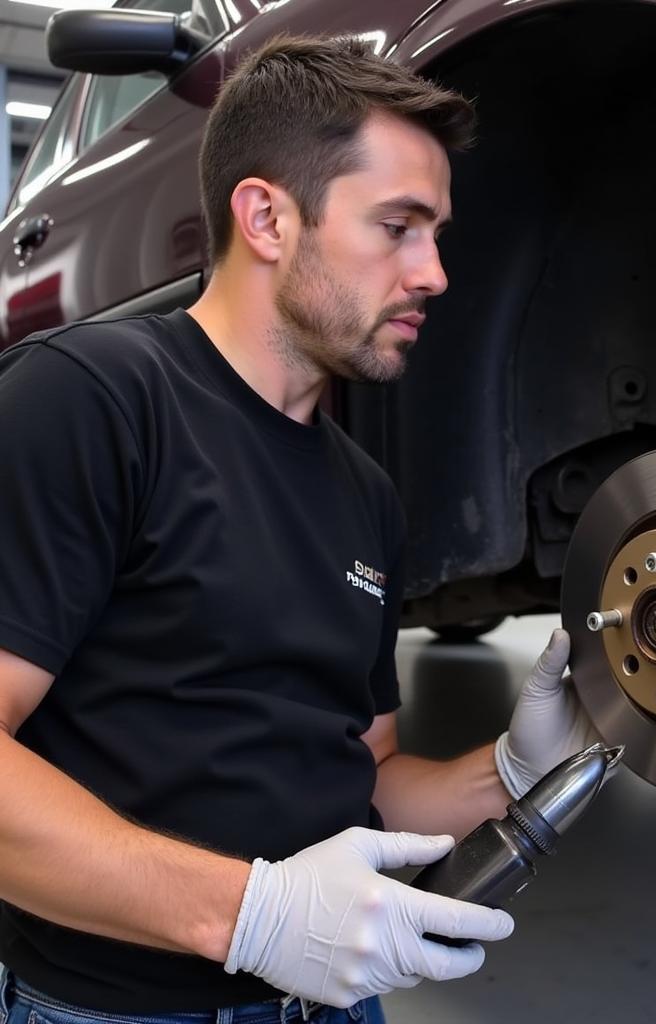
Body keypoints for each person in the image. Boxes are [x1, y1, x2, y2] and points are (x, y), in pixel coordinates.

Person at [0, 35, 598, 1024]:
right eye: (399, 226)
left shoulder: (364, 493)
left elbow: (362, 777)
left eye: (437, 233)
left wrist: (511, 772)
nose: (437, 272)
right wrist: (249, 915)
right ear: (267, 216)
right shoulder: (93, 401)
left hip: (325, 1005)